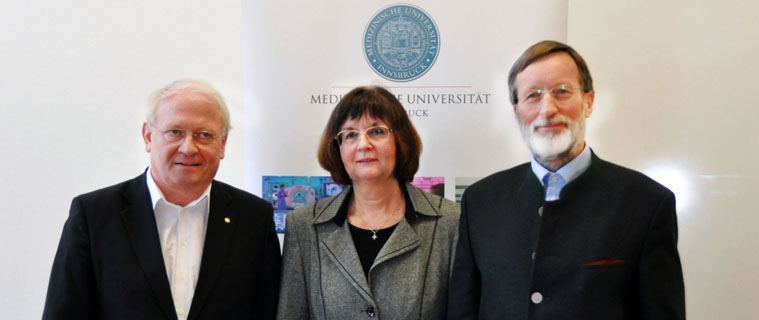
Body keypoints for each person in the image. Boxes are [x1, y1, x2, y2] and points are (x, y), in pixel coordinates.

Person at [448, 40, 685, 319]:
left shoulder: (646, 203)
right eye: (532, 96)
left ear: (589, 101)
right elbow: (462, 311)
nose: (547, 109)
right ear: (517, 112)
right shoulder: (480, 202)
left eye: (562, 91)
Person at [43, 79, 281, 319]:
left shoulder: (254, 219)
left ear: (222, 145)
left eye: (204, 135)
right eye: (175, 132)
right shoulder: (94, 215)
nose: (188, 148)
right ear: (148, 136)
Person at [277, 86, 460, 319]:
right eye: (350, 134)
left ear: (400, 140)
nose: (363, 144)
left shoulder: (450, 222)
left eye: (376, 131)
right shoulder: (304, 227)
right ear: (338, 149)